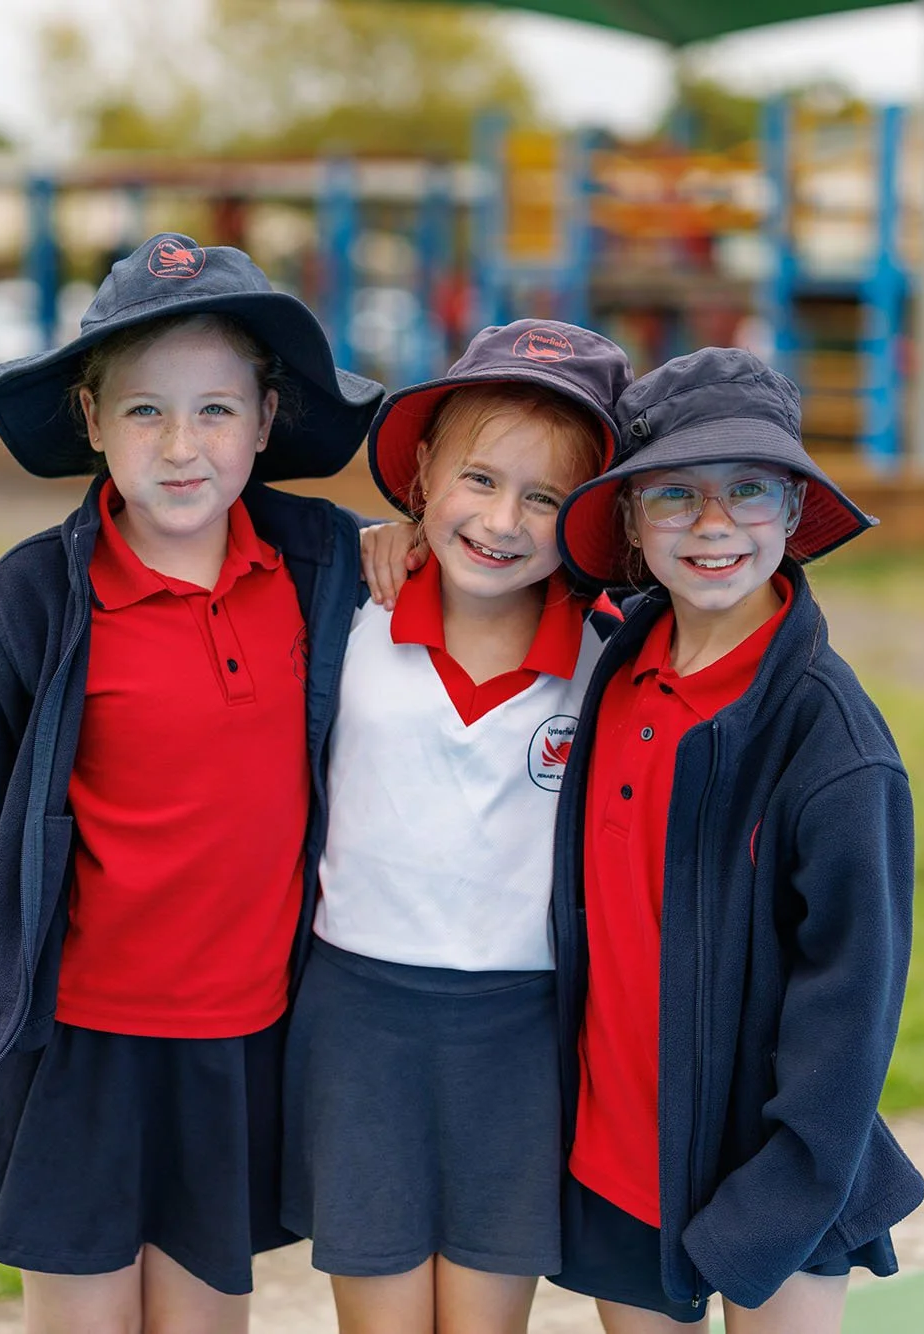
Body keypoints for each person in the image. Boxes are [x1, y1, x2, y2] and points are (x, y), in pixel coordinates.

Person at [0, 232, 385, 1334]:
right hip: (78, 1036)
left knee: (205, 1317)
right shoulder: (32, 595)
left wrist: (406, 547)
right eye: (143, 412)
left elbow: (477, 580)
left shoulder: (324, 565)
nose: (182, 446)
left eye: (215, 410)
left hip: (235, 1039)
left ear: (265, 422)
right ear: (90, 421)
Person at [545, 348, 924, 1334]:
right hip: (619, 1153)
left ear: (793, 508)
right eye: (672, 494)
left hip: (777, 1178)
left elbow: (851, 1005)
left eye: (747, 489)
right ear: (629, 517)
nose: (713, 526)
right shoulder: (616, 660)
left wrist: (778, 1199)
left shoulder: (833, 744)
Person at [284, 321, 631, 1334]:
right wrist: (366, 540)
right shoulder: (343, 611)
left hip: (517, 1038)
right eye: (477, 480)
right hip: (359, 1023)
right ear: (422, 472)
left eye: (544, 497)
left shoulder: (608, 658)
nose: (501, 519)